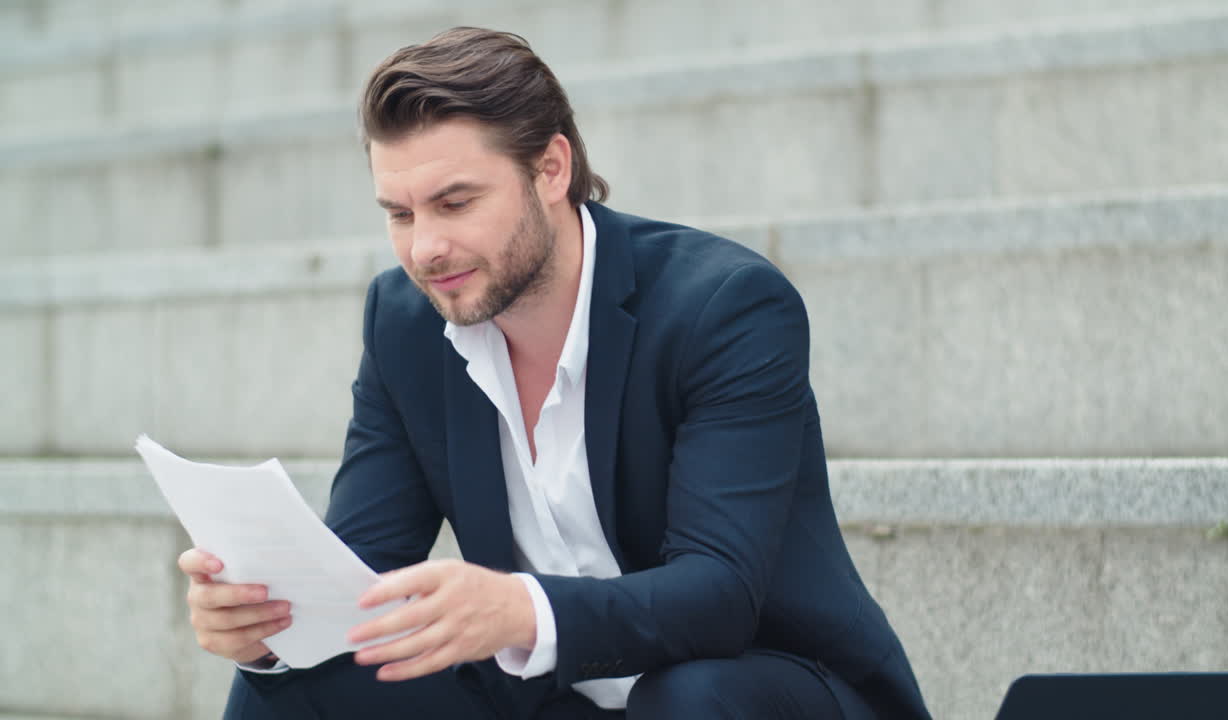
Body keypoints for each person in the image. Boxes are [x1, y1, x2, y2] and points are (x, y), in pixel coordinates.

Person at [177, 27, 932, 720]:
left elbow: (720, 596)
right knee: (297, 685)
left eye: (455, 202)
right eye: (401, 214)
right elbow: (363, 581)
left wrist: (519, 611)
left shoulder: (723, 307)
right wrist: (270, 628)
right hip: (552, 699)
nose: (426, 249)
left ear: (550, 169)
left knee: (691, 696)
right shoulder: (406, 324)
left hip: (763, 686)